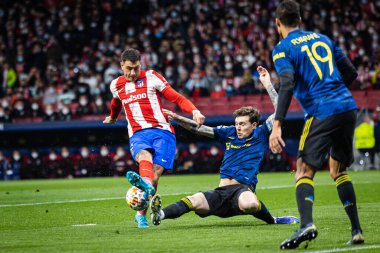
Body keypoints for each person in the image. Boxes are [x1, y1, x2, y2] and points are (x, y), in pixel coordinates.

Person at [150, 66, 299, 228]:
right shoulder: (229, 133)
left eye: (242, 124)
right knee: (194, 200)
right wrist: (178, 118)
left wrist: (267, 84)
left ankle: (273, 220)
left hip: (242, 190)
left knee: (250, 204)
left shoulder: (262, 133)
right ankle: (160, 214)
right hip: (220, 193)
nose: (238, 127)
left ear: (254, 125)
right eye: (236, 124)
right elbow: (200, 129)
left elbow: (280, 111)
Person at [268, 0, 364, 249]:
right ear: (299, 20)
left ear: (278, 24)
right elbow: (351, 73)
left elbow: (287, 84)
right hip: (347, 107)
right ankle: (356, 230)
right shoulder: (323, 39)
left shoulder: (282, 49)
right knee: (338, 170)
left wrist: (277, 125)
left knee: (302, 170)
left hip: (322, 110)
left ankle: (306, 224)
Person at [103, 48, 205, 228]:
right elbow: (116, 102)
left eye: (136, 68)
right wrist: (112, 116)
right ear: (121, 66)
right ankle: (146, 194)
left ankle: (140, 212)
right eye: (129, 69)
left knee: (156, 174)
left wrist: (195, 111)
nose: (133, 73)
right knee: (144, 156)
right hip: (138, 132)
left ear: (140, 65)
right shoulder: (116, 85)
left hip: (163, 131)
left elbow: (177, 97)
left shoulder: (152, 77)